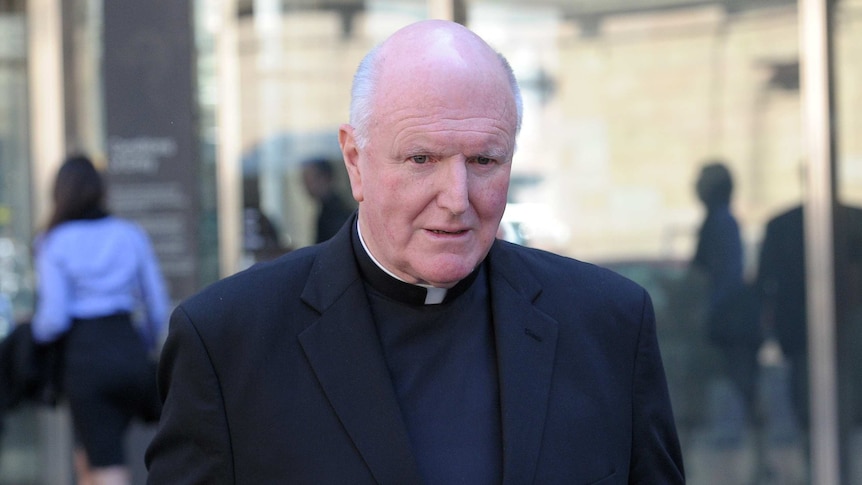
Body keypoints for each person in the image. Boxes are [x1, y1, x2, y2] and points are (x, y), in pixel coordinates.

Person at [146, 20, 684, 484]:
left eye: (484, 161)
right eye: (422, 158)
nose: (457, 200)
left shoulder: (609, 324)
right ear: (355, 160)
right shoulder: (227, 341)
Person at [31, 154, 169, 485]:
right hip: (127, 347)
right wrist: (144, 347)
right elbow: (157, 306)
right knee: (87, 457)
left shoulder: (54, 242)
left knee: (106, 465)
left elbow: (53, 319)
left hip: (85, 359)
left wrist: (30, 335)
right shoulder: (129, 234)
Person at [690, 161, 762, 444]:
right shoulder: (717, 221)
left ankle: (759, 456)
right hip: (724, 322)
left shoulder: (721, 222)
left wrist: (707, 309)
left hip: (729, 325)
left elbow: (726, 276)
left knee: (744, 388)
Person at [301, 156, 356, 243]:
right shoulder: (326, 209)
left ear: (324, 178)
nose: (306, 186)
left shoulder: (335, 212)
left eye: (309, 180)